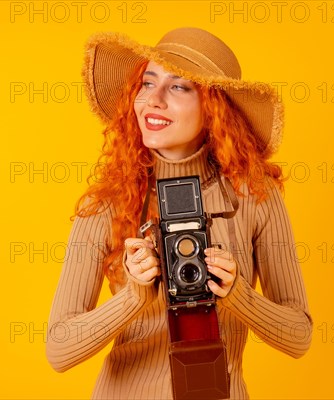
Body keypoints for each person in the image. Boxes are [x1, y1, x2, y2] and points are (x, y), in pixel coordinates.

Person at [46, 27, 312, 399]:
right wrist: (133, 296)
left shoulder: (254, 196)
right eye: (147, 82)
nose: (153, 100)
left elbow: (299, 336)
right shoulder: (109, 201)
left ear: (214, 107)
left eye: (178, 86)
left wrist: (237, 294)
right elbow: (58, 349)